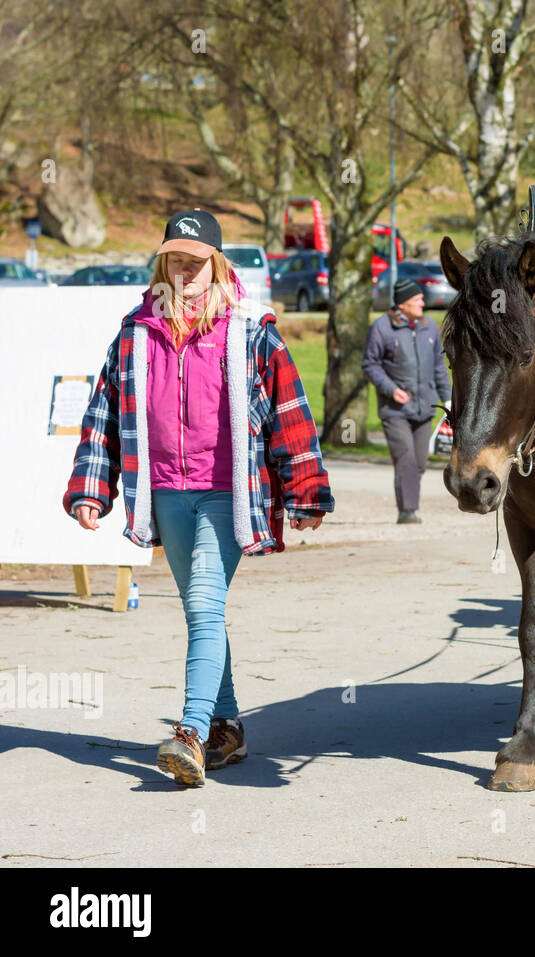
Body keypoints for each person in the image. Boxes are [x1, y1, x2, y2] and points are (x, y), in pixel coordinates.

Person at [64, 208, 333, 787]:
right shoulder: (136, 331)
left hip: (226, 494)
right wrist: (92, 487)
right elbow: (106, 414)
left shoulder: (250, 330)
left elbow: (291, 415)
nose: (184, 274)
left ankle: (189, 732)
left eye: (195, 262)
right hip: (164, 492)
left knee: (206, 604)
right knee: (199, 610)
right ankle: (228, 727)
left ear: (216, 265)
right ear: (162, 263)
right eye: (174, 261)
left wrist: (306, 491)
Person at [362, 276, 451, 522]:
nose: (422, 302)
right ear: (402, 304)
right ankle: (407, 511)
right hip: (395, 409)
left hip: (425, 407)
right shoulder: (381, 328)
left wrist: (449, 399)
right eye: (417, 299)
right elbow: (370, 364)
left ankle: (408, 503)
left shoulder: (429, 327)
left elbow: (438, 366)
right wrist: (391, 389)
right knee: (407, 458)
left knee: (420, 462)